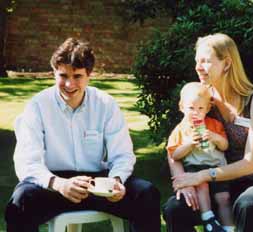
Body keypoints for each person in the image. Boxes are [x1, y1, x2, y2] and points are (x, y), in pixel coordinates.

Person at [5, 37, 161, 232]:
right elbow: (27, 162)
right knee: (21, 201)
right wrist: (59, 184)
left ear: (89, 75)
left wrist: (117, 181)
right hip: (54, 184)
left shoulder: (105, 104)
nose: (69, 84)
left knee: (146, 194)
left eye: (77, 76)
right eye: (63, 76)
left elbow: (122, 154)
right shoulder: (37, 106)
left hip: (98, 184)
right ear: (54, 72)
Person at [163, 33, 253, 232]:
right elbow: (175, 143)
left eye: (205, 61)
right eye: (197, 61)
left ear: (226, 63)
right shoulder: (203, 100)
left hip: (252, 183)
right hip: (212, 187)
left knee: (248, 205)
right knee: (175, 208)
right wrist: (184, 182)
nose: (198, 67)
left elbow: (250, 164)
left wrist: (201, 176)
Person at [166, 82, 234, 232]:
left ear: (208, 109)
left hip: (217, 168)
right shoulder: (180, 130)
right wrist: (189, 144)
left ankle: (228, 228)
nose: (195, 112)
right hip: (194, 168)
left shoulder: (214, 125)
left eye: (200, 108)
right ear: (182, 107)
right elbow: (174, 155)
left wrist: (215, 137)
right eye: (191, 108)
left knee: (224, 198)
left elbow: (224, 146)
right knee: (201, 186)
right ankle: (208, 220)